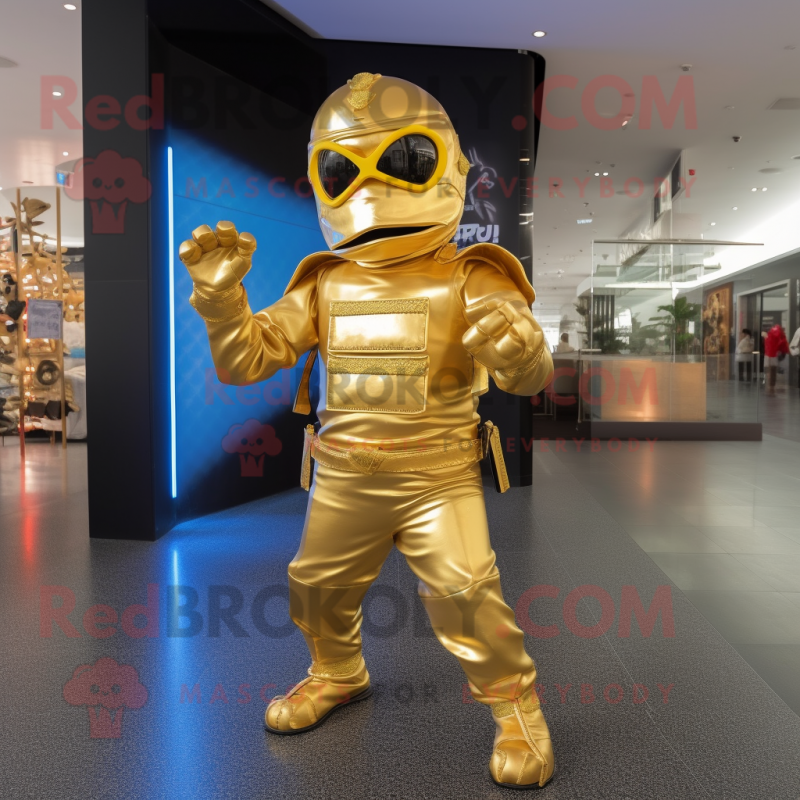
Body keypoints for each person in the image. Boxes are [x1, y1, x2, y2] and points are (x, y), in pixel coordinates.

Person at [179, 73, 556, 789]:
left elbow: (527, 377)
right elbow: (246, 361)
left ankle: (516, 708)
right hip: (343, 474)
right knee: (315, 587)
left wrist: (519, 351)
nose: (373, 187)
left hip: (438, 475)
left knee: (467, 595)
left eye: (404, 160)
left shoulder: (472, 273)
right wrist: (221, 300)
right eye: (343, 169)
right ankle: (337, 671)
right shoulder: (325, 281)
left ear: (450, 165)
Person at [763, 324, 790, 396]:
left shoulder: (771, 334)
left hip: (770, 354)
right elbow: (782, 344)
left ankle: (770, 385)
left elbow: (768, 343)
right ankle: (772, 385)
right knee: (773, 370)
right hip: (774, 354)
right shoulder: (779, 334)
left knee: (770, 370)